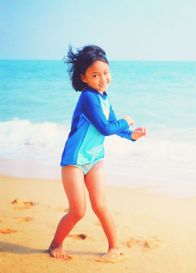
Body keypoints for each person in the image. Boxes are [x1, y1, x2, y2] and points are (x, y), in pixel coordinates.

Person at [48, 45, 146, 260]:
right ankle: (56, 243)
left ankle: (113, 247)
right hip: (74, 161)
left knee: (101, 206)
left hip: (95, 160)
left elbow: (112, 124)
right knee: (78, 211)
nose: (103, 79)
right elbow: (105, 128)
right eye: (95, 75)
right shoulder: (88, 98)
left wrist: (130, 135)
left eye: (106, 73)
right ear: (84, 78)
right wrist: (126, 121)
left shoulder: (104, 97)